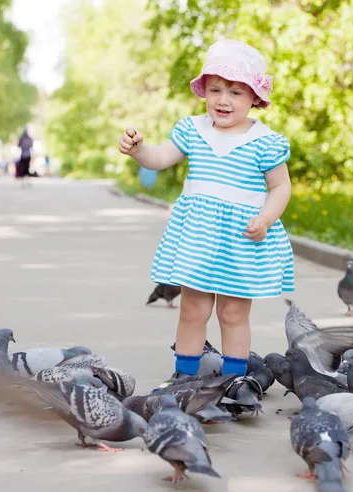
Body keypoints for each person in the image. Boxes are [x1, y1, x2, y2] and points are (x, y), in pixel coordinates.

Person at [119, 39, 295, 379]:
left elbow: (280, 187)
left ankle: (233, 381)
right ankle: (184, 377)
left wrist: (267, 218)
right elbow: (158, 159)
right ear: (204, 93)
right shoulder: (193, 130)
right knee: (192, 309)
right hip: (197, 239)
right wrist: (139, 150)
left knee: (232, 313)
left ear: (255, 98)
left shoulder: (266, 141)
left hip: (241, 240)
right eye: (215, 90)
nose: (223, 100)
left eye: (235, 93)